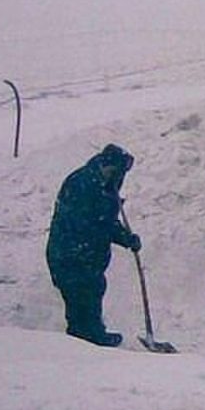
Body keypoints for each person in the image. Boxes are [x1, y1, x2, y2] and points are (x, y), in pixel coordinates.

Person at [46, 144, 141, 347]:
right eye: (117, 172)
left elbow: (106, 221)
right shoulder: (81, 184)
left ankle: (93, 335)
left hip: (86, 256)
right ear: (106, 165)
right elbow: (90, 222)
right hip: (70, 254)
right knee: (80, 294)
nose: (119, 178)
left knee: (93, 290)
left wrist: (127, 238)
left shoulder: (105, 185)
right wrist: (106, 227)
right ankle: (83, 343)